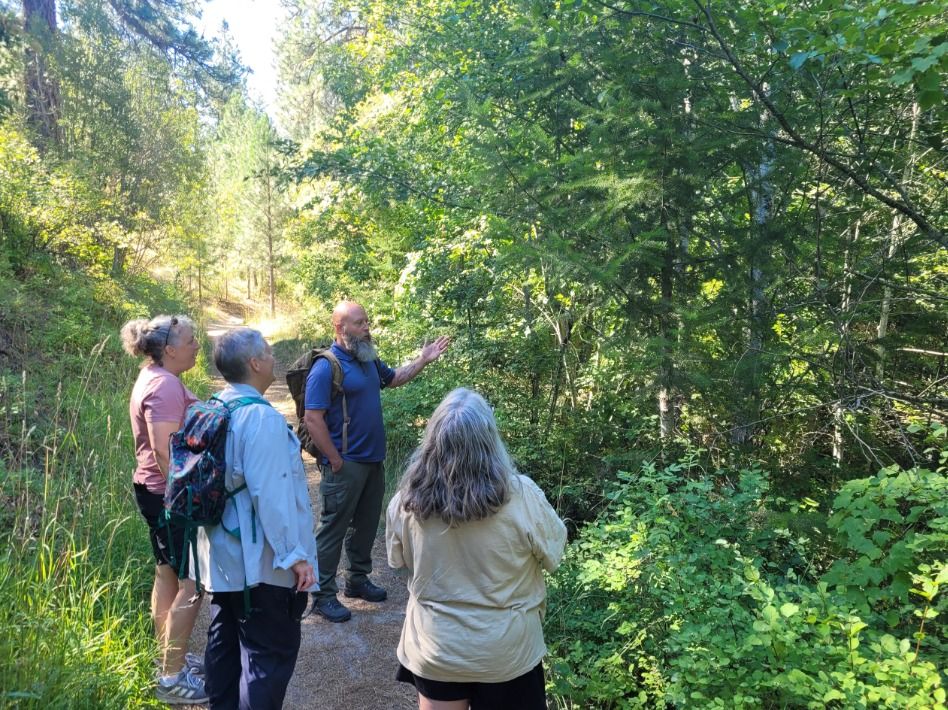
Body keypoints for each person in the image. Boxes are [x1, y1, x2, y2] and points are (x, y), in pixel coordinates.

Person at [386, 388, 567, 710]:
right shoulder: (521, 495)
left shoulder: (406, 501)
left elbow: (397, 559)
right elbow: (554, 554)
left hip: (435, 646)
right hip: (507, 652)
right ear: (489, 439)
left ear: (432, 441)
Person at [304, 300, 450, 622]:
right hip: (346, 464)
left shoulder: (367, 360)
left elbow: (394, 378)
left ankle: (356, 580)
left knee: (365, 524)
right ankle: (323, 595)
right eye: (360, 323)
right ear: (340, 328)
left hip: (373, 461)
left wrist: (423, 360)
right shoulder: (326, 367)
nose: (367, 327)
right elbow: (312, 419)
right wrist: (334, 460)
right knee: (332, 529)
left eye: (367, 321)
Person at [196, 327, 318, 710]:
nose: (272, 357)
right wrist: (294, 556)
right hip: (260, 564)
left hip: (221, 559)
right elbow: (273, 495)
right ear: (254, 363)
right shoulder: (260, 419)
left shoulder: (214, 405)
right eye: (267, 351)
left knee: (226, 644)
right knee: (269, 655)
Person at [121, 314, 208, 705]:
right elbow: (163, 450)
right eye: (191, 340)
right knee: (192, 583)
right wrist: (185, 498)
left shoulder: (155, 376)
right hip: (168, 496)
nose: (196, 346)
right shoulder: (165, 385)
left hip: (154, 492)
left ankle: (168, 658)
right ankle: (172, 678)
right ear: (170, 349)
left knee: (167, 575)